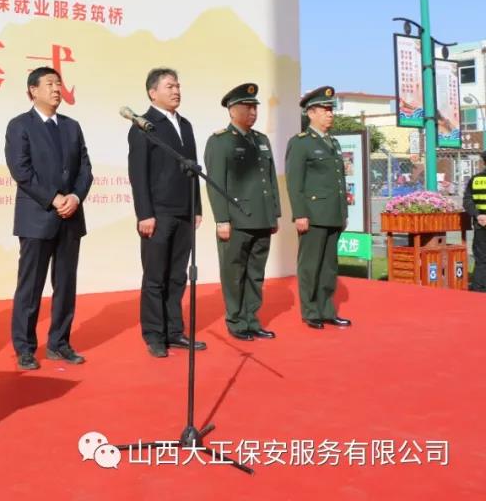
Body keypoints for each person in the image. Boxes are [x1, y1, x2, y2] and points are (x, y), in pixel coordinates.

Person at [5, 66, 93, 370]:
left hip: (71, 216)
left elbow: (85, 169)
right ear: (33, 90)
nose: (57, 89)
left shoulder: (72, 126)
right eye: (50, 84)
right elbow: (21, 171)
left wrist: (75, 198)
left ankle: (60, 343)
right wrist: (54, 198)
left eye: (59, 84)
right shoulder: (20, 125)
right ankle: (25, 348)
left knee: (65, 284)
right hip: (37, 217)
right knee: (30, 286)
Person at [127, 68, 206, 358]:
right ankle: (154, 334)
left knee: (177, 276)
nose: (176, 91)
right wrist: (144, 214)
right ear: (153, 92)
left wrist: (196, 207)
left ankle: (174, 331)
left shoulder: (185, 124)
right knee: (155, 277)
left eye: (178, 86)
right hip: (158, 214)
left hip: (184, 211)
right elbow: (138, 174)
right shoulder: (143, 126)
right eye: (170, 86)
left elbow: (193, 168)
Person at [203, 83, 281, 341]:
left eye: (255, 107)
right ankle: (236, 322)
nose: (253, 112)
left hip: (262, 217)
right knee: (234, 274)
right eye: (247, 107)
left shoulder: (261, 140)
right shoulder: (220, 141)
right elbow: (216, 184)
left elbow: (270, 180)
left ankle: (252, 320)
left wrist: (274, 214)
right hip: (236, 220)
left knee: (255, 274)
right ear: (231, 110)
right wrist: (221, 220)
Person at [284, 85, 351, 329]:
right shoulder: (301, 143)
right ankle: (311, 311)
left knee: (329, 266)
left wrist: (343, 212)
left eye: (331, 109)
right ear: (311, 113)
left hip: (333, 213)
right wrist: (300, 214)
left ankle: (327, 310)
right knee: (310, 265)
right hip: (312, 215)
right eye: (324, 109)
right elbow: (295, 182)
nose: (330, 114)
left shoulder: (333, 142)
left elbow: (339, 181)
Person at [462, 151, 486, 292]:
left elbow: (467, 201)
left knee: (481, 258)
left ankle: (479, 290)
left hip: (481, 224)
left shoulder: (475, 180)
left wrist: (478, 216)